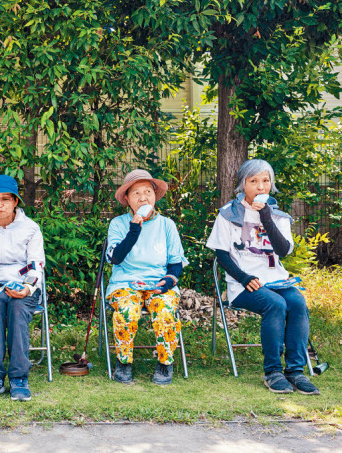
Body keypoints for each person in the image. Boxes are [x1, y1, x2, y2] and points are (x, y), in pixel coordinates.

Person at [206, 159, 319, 395]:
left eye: (265, 181)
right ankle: (273, 372)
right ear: (242, 185)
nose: (260, 187)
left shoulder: (278, 216)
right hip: (242, 284)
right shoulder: (227, 214)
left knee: (297, 303)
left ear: (271, 184)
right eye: (253, 181)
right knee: (275, 304)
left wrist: (266, 217)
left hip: (277, 280)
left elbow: (283, 251)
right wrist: (244, 278)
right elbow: (221, 255)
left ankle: (295, 372)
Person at [105, 169, 187, 385]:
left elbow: (176, 262)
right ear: (127, 200)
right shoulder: (118, 224)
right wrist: (134, 230)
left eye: (148, 192)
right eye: (136, 193)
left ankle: (165, 364)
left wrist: (169, 281)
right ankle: (123, 363)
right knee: (127, 310)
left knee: (165, 311)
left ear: (155, 195)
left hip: (158, 283)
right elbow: (115, 258)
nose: (143, 198)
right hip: (124, 283)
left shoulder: (167, 225)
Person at [0, 175, 45, 401]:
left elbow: (36, 265)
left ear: (15, 202)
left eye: (5, 199)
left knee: (18, 307)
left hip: (23, 284)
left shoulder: (30, 228)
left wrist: (27, 288)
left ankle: (18, 377)